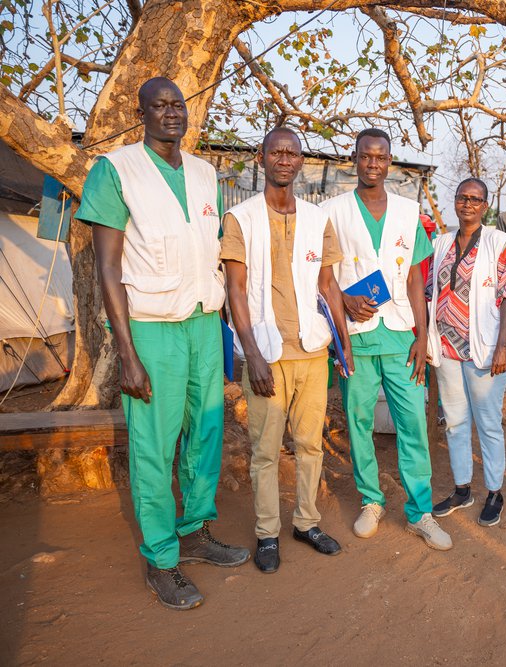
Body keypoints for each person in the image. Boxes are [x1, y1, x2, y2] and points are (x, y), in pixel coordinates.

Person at [76, 77, 249, 611]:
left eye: (179, 105)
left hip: (202, 323)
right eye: (160, 105)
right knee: (154, 444)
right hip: (150, 329)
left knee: (206, 433)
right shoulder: (116, 169)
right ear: (142, 111)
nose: (171, 113)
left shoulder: (203, 173)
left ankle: (194, 531)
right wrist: (126, 352)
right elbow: (107, 267)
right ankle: (161, 558)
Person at [222, 127, 354, 573]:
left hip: (313, 352)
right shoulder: (240, 217)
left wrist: (344, 342)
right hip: (267, 355)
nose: (284, 159)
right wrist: (253, 353)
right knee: (264, 449)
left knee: (310, 444)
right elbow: (235, 290)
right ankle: (266, 533)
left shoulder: (318, 220)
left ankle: (306, 522)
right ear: (261, 158)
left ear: (300, 162)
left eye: (292, 153)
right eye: (275, 151)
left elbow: (328, 285)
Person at [322, 128, 452, 551]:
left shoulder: (406, 211)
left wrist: (421, 332)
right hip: (355, 336)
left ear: (389, 160)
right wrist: (342, 298)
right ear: (354, 158)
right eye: (365, 156)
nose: (373, 163)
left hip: (400, 336)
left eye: (380, 157)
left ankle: (420, 512)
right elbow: (322, 274)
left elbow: (416, 276)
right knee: (358, 422)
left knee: (413, 422)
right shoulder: (333, 210)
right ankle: (372, 500)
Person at [427, 178, 506, 527]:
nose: (468, 204)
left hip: (486, 349)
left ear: (485, 206)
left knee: (488, 421)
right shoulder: (441, 244)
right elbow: (430, 293)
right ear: (455, 202)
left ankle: (495, 492)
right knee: (454, 422)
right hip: (448, 347)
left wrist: (501, 346)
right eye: (462, 198)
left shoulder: (500, 243)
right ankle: (462, 489)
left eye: (475, 199)